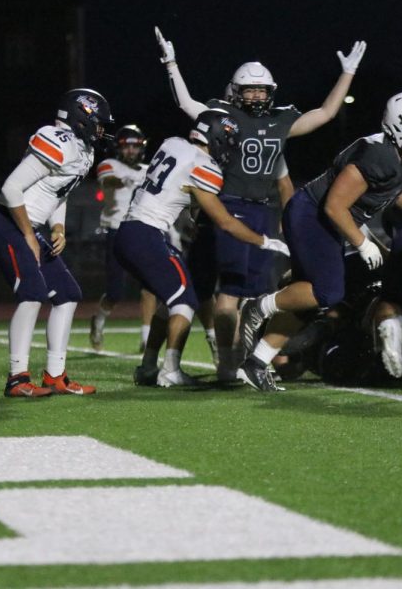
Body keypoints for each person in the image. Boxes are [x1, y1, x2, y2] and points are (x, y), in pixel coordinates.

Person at [155, 27, 366, 381]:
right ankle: (227, 361)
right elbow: (187, 104)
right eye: (249, 89)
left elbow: (327, 112)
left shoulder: (279, 119)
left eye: (260, 90)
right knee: (231, 294)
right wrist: (171, 63)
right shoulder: (225, 117)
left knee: (254, 291)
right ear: (235, 93)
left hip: (262, 210)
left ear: (271, 93)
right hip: (231, 205)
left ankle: (239, 359)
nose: (255, 95)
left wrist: (348, 73)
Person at [235, 91, 402, 391]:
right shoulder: (378, 156)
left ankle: (255, 363)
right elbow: (334, 205)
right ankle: (259, 306)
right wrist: (362, 242)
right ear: (399, 127)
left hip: (325, 219)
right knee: (328, 293)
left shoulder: (394, 154)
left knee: (308, 300)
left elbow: (395, 188)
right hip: (314, 217)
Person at [115, 109, 289, 387]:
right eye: (228, 140)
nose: (229, 148)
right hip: (147, 234)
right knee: (185, 301)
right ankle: (170, 370)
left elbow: (178, 192)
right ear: (218, 137)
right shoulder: (203, 165)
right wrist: (267, 241)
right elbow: (226, 222)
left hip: (128, 231)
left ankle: (148, 366)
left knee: (168, 300)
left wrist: (192, 217)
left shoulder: (172, 143)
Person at [0, 88, 110, 398]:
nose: (102, 130)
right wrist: (28, 234)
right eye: (98, 123)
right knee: (32, 293)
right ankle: (17, 378)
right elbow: (11, 188)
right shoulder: (57, 140)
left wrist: (59, 228)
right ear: (82, 118)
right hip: (6, 222)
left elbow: (58, 193)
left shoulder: (81, 150)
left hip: (28, 224)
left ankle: (55, 376)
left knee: (67, 294)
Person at [87, 124, 156, 352]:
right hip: (116, 229)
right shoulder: (110, 166)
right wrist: (126, 181)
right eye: (127, 146)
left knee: (149, 285)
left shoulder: (150, 169)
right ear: (118, 148)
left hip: (142, 229)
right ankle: (98, 321)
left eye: (135, 146)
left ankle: (146, 338)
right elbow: (108, 181)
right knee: (115, 292)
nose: (131, 151)